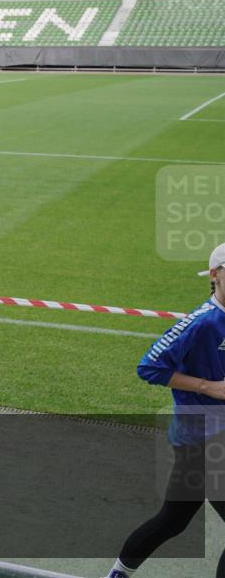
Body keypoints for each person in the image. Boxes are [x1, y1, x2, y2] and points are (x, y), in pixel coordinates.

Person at [103, 242, 225, 578]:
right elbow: (149, 367)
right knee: (172, 519)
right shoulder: (201, 322)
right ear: (214, 275)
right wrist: (208, 386)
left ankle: (117, 575)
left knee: (172, 520)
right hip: (202, 440)